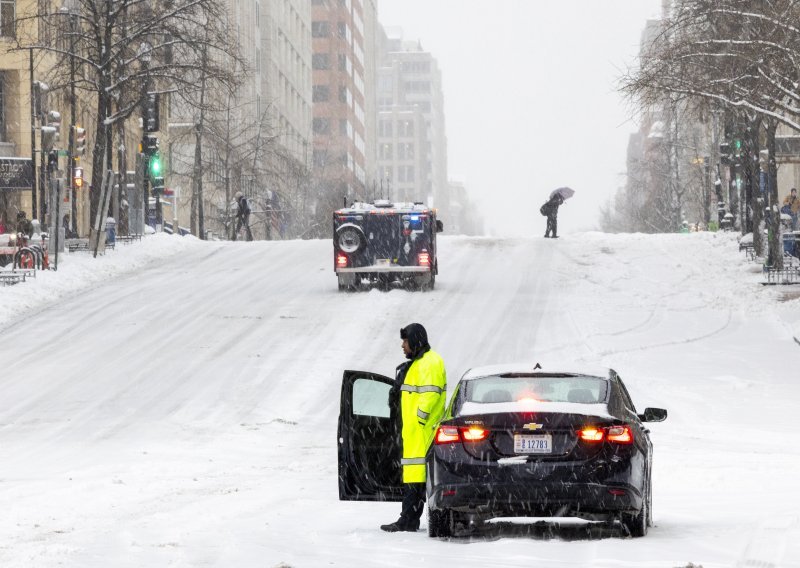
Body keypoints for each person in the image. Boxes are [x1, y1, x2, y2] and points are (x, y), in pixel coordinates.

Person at [381, 323, 447, 533]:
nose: (403, 345)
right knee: (414, 479)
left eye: (405, 341)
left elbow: (431, 394)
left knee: (417, 480)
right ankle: (408, 519)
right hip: (414, 434)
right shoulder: (418, 364)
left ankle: (407, 520)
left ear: (415, 340)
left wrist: (419, 419)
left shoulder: (430, 362)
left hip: (422, 433)